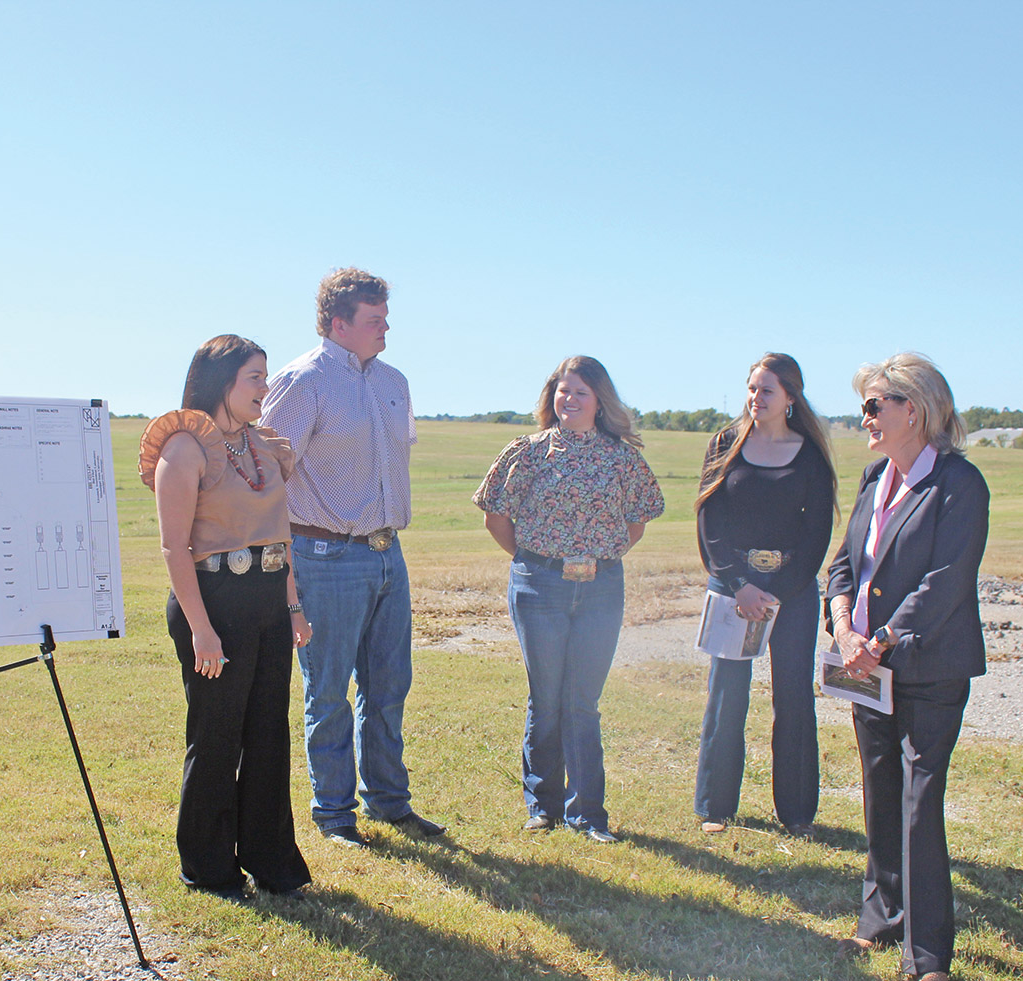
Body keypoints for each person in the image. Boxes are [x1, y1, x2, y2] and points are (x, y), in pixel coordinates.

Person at [825, 353, 989, 981]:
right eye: (864, 405)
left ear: (913, 411)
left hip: (928, 668)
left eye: (874, 405)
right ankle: (880, 919)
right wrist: (841, 626)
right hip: (865, 664)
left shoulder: (959, 484)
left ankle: (929, 961)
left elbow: (946, 582)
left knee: (921, 805)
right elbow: (844, 564)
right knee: (879, 790)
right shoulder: (874, 476)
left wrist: (881, 638)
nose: (864, 417)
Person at [260, 268, 443, 848]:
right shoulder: (301, 382)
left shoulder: (395, 382)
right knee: (330, 689)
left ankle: (390, 803)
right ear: (339, 324)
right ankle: (334, 814)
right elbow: (267, 473)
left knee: (389, 686)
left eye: (385, 317)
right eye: (374, 319)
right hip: (324, 555)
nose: (385, 327)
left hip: (390, 552)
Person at [139, 336, 314, 900]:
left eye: (265, 377)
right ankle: (210, 868)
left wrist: (292, 606)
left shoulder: (263, 445)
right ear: (222, 384)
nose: (266, 389)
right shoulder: (184, 450)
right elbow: (173, 549)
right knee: (216, 736)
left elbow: (280, 536)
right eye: (255, 379)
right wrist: (201, 629)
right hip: (213, 601)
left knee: (268, 733)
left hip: (268, 598)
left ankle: (272, 862)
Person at [473, 357, 665, 842]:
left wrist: (598, 557)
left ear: (600, 401)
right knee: (547, 697)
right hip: (539, 588)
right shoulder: (528, 452)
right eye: (563, 391)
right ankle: (543, 807)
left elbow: (637, 522)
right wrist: (540, 563)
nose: (570, 400)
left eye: (580, 392)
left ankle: (588, 815)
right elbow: (496, 518)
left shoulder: (622, 458)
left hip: (602, 589)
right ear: (551, 397)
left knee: (583, 701)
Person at [692, 353, 838, 838]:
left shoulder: (811, 455)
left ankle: (796, 814)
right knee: (726, 695)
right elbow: (710, 524)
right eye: (752, 388)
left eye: (767, 390)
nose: (756, 398)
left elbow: (816, 535)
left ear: (791, 398)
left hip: (790, 591)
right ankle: (715, 807)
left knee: (793, 697)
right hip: (733, 587)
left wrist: (773, 592)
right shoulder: (725, 444)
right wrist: (741, 585)